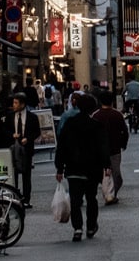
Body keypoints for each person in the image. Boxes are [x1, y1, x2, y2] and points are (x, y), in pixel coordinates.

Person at [55, 88, 109, 240]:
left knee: (75, 200)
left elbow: (62, 147)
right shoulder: (97, 126)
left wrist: (59, 168)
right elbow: (103, 147)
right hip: (92, 168)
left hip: (73, 167)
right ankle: (91, 226)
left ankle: (77, 228)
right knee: (91, 198)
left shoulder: (70, 124)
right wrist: (107, 165)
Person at [95, 93, 130, 202]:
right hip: (115, 148)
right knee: (116, 173)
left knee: (101, 173)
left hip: (99, 150)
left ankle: (108, 192)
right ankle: (111, 193)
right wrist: (123, 143)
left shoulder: (96, 115)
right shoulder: (117, 115)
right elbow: (124, 131)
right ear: (112, 102)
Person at [10, 88, 41, 207]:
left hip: (27, 148)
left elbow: (37, 132)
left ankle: (26, 199)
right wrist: (12, 135)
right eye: (13, 102)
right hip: (13, 148)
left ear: (23, 104)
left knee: (26, 175)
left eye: (16, 103)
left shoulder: (32, 117)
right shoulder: (10, 116)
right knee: (14, 173)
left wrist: (28, 138)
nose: (14, 105)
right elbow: (5, 130)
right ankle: (15, 196)